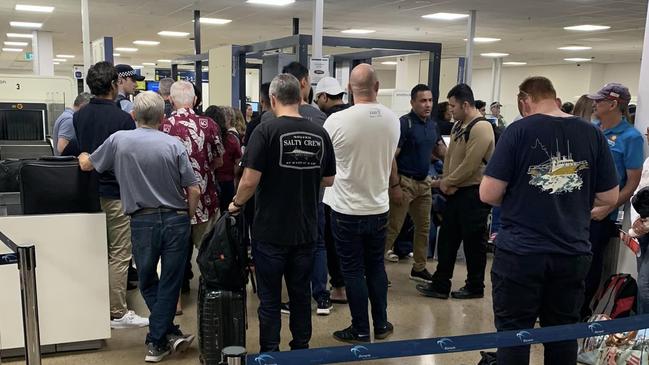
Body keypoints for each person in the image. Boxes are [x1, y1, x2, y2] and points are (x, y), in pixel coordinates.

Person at [480, 76, 619, 365]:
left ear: (524, 101)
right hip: (571, 252)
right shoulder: (592, 134)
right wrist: (573, 202)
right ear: (554, 98)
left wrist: (522, 197)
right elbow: (609, 196)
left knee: (514, 335)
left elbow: (488, 193)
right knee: (562, 336)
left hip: (521, 253)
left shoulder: (517, 130)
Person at [79, 91, 201, 363]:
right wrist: (187, 216)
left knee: (146, 279)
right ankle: (168, 333)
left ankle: (155, 341)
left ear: (133, 115)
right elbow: (193, 188)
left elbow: (88, 164)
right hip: (176, 219)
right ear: (162, 117)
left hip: (142, 220)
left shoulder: (118, 141)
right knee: (170, 281)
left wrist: (83, 155)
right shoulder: (174, 144)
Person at [228, 73, 335, 352]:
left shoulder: (265, 131)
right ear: (300, 98)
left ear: (272, 99)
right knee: (301, 296)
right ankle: (300, 349)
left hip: (270, 232)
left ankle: (271, 352)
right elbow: (329, 179)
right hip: (306, 230)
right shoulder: (319, 133)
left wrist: (236, 204)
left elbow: (249, 180)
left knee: (271, 299)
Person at [323, 63, 398, 343]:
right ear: (377, 87)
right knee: (376, 266)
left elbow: (325, 164)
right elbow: (390, 160)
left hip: (346, 209)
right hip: (379, 206)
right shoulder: (393, 120)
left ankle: (360, 328)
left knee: (352, 270)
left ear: (349, 90)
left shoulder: (336, 122)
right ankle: (381, 323)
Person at [70, 61, 148, 329]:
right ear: (114, 84)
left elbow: (80, 150)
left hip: (89, 191)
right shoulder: (122, 119)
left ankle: (93, 303)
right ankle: (117, 310)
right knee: (120, 252)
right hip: (115, 193)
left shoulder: (79, 116)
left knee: (95, 250)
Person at [417, 83, 494, 300]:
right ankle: (441, 283)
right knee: (447, 240)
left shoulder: (481, 127)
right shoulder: (459, 125)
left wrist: (447, 182)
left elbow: (471, 165)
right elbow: (450, 157)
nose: (450, 110)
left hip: (472, 194)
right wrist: (445, 180)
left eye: (453, 106)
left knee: (473, 244)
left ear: (465, 104)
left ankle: (475, 286)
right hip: (454, 192)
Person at [581, 83, 643, 318]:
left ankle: (580, 311)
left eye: (599, 100)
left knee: (590, 264)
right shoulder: (593, 129)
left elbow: (632, 182)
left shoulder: (631, 138)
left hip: (602, 213)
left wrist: (607, 207)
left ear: (613, 104)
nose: (594, 104)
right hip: (579, 207)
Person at [280, 61, 332, 315]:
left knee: (288, 248)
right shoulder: (318, 118)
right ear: (302, 83)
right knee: (317, 244)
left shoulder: (271, 119)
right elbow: (326, 166)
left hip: (283, 199)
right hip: (314, 196)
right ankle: (321, 297)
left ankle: (294, 298)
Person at [384, 84, 446, 285]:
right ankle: (374, 268)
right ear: (412, 103)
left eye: (430, 100)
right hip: (404, 183)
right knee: (392, 228)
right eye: (423, 100)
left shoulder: (432, 125)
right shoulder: (404, 124)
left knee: (424, 228)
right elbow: (392, 157)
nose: (427, 105)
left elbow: (439, 150)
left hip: (424, 183)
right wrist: (394, 186)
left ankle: (419, 268)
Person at [161, 80, 224, 249]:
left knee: (175, 256)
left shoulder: (162, 126)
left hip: (172, 203)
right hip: (205, 200)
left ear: (171, 101)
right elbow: (219, 160)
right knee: (207, 252)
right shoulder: (210, 124)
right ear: (195, 100)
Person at [313, 76, 350, 304]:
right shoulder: (354, 116)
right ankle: (345, 285)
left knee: (327, 241)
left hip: (330, 191)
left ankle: (336, 286)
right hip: (356, 191)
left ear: (324, 97)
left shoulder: (328, 121)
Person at [205, 105, 242, 213]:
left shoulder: (203, 138)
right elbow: (238, 163)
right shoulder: (232, 139)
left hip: (208, 182)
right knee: (227, 216)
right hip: (227, 182)